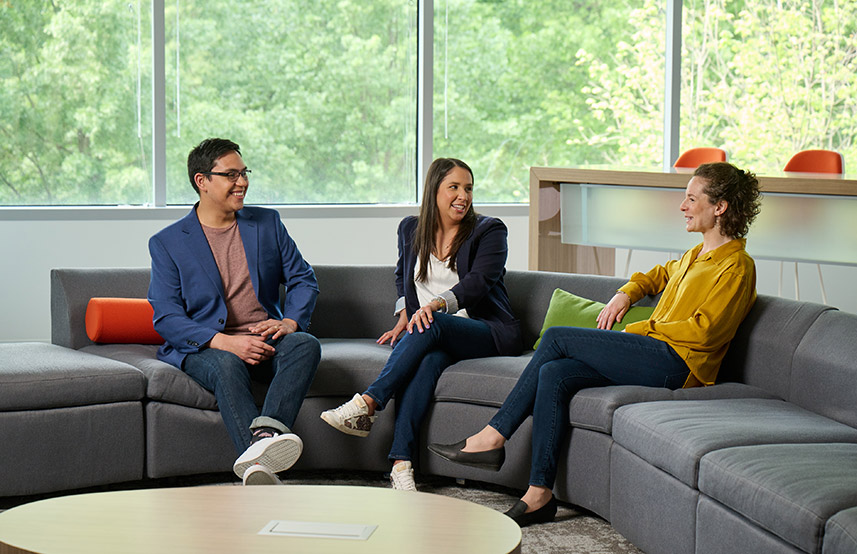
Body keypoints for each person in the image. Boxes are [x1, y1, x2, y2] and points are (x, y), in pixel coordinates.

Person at [429, 162, 762, 526]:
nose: (682, 206)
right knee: (556, 372)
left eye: (691, 198)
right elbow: (658, 276)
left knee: (557, 337)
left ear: (720, 207)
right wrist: (626, 293)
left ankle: (492, 437)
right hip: (658, 352)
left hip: (679, 365)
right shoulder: (694, 256)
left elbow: (707, 332)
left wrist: (643, 328)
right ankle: (539, 493)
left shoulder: (737, 267)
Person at [319, 158, 523, 491]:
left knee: (432, 324)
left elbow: (480, 282)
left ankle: (368, 403)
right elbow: (403, 275)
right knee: (426, 362)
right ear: (434, 190)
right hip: (433, 333)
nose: (463, 196)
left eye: (468, 188)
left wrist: (436, 304)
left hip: (483, 330)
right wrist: (404, 311)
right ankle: (402, 465)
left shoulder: (489, 230)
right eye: (453, 187)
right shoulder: (410, 229)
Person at [148, 138, 321, 486]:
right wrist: (225, 342)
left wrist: (289, 322)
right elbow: (166, 316)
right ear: (202, 181)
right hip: (209, 347)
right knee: (227, 365)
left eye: (244, 173)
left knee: (305, 344)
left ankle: (263, 441)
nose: (242, 182)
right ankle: (262, 468)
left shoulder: (267, 224)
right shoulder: (168, 242)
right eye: (231, 175)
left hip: (264, 337)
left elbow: (304, 279)